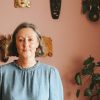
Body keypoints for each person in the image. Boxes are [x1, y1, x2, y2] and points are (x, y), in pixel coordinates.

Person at [0, 22, 64, 100]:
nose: (26, 44)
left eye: (30, 39)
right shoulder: (2, 72)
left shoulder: (51, 73)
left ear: (37, 43)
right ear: (15, 44)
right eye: (20, 40)